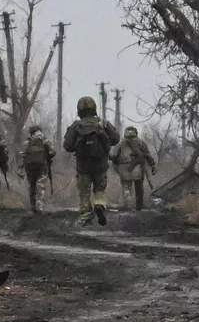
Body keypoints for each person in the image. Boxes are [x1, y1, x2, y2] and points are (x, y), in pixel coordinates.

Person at [61, 95, 120, 226]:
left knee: (84, 191)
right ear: (94, 108)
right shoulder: (103, 123)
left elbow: (67, 146)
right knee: (99, 188)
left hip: (83, 166)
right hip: (101, 165)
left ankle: (86, 218)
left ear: (79, 110)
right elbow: (116, 139)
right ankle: (99, 204)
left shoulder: (76, 126)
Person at [113, 126, 157, 211]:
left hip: (124, 168)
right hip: (138, 168)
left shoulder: (121, 143)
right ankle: (139, 206)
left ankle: (129, 205)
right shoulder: (140, 142)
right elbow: (147, 154)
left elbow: (114, 154)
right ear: (135, 132)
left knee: (126, 186)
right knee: (139, 186)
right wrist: (153, 164)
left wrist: (116, 163)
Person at [20, 125, 55, 213]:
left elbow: (22, 154)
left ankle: (32, 205)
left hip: (29, 166)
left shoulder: (27, 141)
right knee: (40, 185)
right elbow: (52, 152)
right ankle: (39, 206)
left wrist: (20, 167)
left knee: (31, 185)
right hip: (41, 165)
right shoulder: (44, 139)